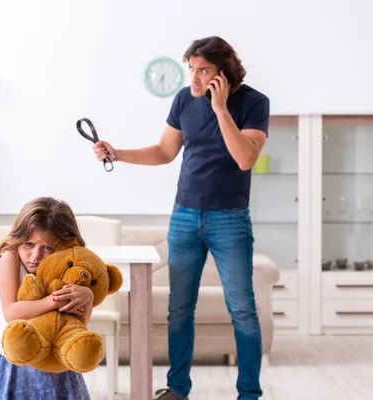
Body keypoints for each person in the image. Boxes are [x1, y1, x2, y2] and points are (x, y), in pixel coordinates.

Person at [93, 36, 269, 400]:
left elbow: (245, 159)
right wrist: (118, 153)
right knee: (179, 310)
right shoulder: (183, 100)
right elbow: (164, 151)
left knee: (243, 310)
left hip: (229, 219)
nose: (194, 77)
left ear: (224, 72)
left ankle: (249, 393)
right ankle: (177, 390)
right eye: (191, 68)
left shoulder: (253, 102)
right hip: (184, 217)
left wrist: (220, 109)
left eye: (203, 70)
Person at [0, 197, 95, 400]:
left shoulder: (66, 267)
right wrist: (52, 301)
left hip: (53, 359)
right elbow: (11, 312)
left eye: (47, 248)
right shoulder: (10, 259)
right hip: (13, 358)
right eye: (29, 244)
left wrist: (87, 297)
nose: (35, 255)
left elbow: (79, 322)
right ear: (19, 238)